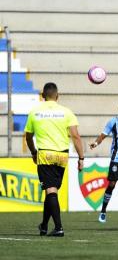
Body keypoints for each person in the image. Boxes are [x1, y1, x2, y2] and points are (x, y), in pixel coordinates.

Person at [25, 82, 84, 237]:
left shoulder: (34, 112)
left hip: (45, 155)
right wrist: (81, 157)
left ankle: (58, 227)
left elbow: (28, 136)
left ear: (43, 95)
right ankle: (44, 226)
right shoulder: (66, 112)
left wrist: (33, 152)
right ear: (57, 96)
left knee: (50, 191)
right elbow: (76, 136)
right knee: (51, 191)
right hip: (62, 156)